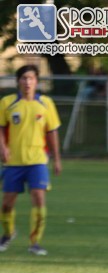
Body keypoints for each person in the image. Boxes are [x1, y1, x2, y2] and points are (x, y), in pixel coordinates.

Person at [0, 65, 62, 256]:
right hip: (13, 162)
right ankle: (8, 234)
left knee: (38, 198)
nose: (27, 82)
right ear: (18, 81)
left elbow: (52, 132)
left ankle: (35, 242)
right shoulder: (7, 103)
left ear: (37, 81)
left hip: (38, 161)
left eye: (31, 78)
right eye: (24, 78)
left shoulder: (46, 103)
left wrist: (57, 159)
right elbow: (1, 128)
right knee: (7, 204)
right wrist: (3, 148)